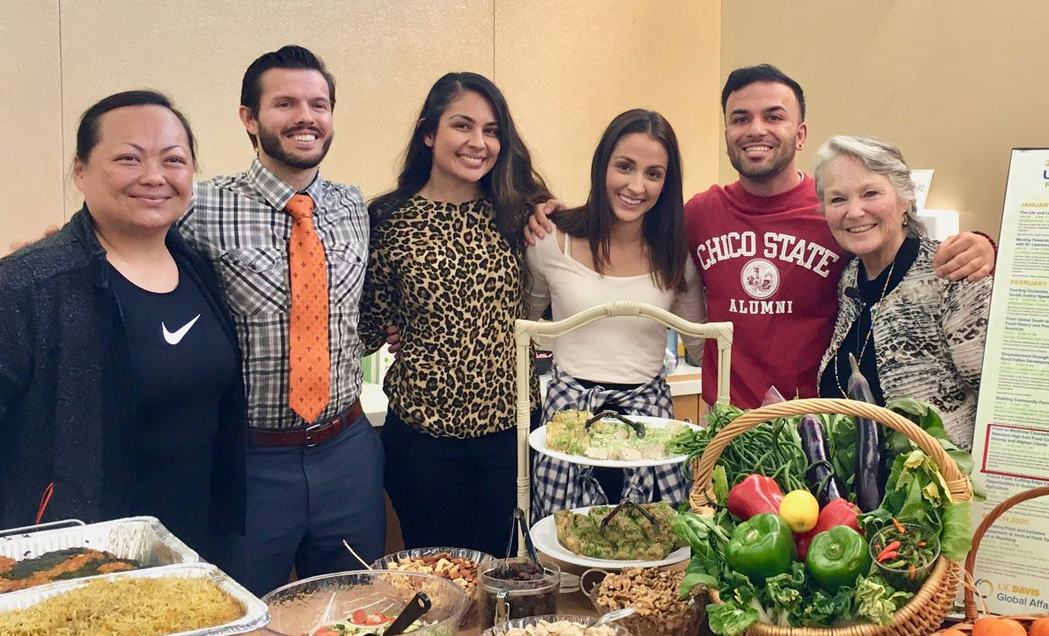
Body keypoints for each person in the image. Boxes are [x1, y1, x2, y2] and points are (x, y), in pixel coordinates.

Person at [528, 65, 995, 409]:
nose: (756, 129)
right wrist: (555, 212)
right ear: (727, 131)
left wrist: (983, 244)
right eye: (740, 118)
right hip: (725, 427)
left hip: (818, 427)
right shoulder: (698, 216)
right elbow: (630, 217)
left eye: (773, 116)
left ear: (799, 132)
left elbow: (899, 242)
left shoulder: (833, 214)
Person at [0, 91, 246, 559]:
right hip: (77, 555)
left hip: (194, 544)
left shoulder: (198, 267)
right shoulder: (32, 281)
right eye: (128, 159)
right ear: (80, 170)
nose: (154, 176)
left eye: (173, 160)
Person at [182, 46, 385, 595]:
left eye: (319, 104)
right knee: (240, 623)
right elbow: (115, 236)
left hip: (347, 451)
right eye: (285, 103)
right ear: (250, 118)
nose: (306, 116)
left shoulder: (351, 205)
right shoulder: (199, 207)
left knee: (354, 616)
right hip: (250, 461)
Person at [360, 72, 551, 556]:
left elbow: (553, 308)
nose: (478, 143)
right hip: (421, 439)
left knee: (503, 577)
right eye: (462, 126)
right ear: (429, 132)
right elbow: (365, 325)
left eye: (491, 131)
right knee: (436, 581)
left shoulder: (520, 215)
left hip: (509, 435)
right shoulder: (387, 219)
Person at [524, 109, 705, 521]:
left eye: (654, 173)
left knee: (651, 554)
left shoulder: (677, 259)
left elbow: (700, 348)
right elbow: (528, 327)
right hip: (568, 417)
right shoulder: (551, 240)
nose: (636, 186)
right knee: (565, 549)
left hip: (651, 421)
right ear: (602, 164)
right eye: (624, 166)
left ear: (667, 182)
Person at [813, 135, 990, 449]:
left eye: (870, 193)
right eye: (838, 199)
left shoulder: (953, 277)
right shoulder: (850, 278)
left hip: (938, 488)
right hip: (851, 492)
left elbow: (997, 402)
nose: (854, 212)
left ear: (905, 197)